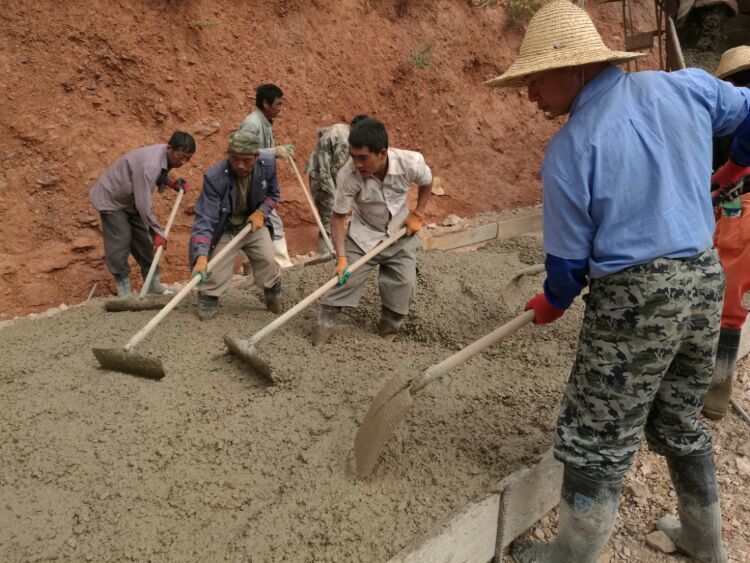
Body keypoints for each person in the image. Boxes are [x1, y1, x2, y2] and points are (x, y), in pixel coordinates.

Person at [484, 2, 750, 562]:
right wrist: (734, 168)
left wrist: (552, 301)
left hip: (638, 298)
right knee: (679, 415)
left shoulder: (570, 150)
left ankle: (572, 557)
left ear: (574, 69)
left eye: (534, 80)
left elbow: (567, 270)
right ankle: (706, 542)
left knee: (596, 435)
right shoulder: (684, 88)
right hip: (703, 281)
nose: (529, 94)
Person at [314, 117, 432, 345]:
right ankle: (320, 336)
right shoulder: (348, 176)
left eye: (363, 158)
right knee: (340, 284)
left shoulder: (410, 162)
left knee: (402, 287)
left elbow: (427, 181)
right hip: (363, 235)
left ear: (382, 153)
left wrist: (418, 213)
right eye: (353, 156)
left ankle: (385, 338)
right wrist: (341, 257)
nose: (357, 163)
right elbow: (338, 218)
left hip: (400, 232)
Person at [189, 130, 282, 320]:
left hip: (253, 224)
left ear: (256, 156)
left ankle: (273, 291)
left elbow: (274, 195)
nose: (240, 165)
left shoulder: (268, 165)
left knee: (268, 261)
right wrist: (200, 256)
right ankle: (208, 298)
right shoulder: (215, 178)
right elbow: (205, 218)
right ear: (228, 155)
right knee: (213, 276)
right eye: (234, 159)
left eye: (246, 160)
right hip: (226, 228)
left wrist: (261, 212)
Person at [90, 131, 195, 297]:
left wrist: (171, 182)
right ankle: (124, 288)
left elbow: (157, 174)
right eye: (181, 157)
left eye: (187, 158)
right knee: (121, 239)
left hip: (129, 199)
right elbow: (143, 204)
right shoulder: (150, 165)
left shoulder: (163, 155)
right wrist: (156, 231)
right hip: (111, 198)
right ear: (169, 148)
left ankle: (153, 284)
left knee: (144, 241)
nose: (183, 162)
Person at [704, 45, 750, 420]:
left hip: (737, 212)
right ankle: (717, 385)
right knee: (736, 302)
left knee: (720, 303)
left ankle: (715, 390)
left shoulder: (727, 119)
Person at [240, 83, 295, 268]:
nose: (281, 108)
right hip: (250, 183)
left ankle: (249, 268)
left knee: (251, 225)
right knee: (273, 221)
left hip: (259, 180)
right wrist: (274, 151)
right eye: (278, 104)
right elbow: (243, 152)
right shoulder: (252, 123)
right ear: (266, 103)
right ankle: (283, 265)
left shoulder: (264, 122)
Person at [305, 114, 369, 253]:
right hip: (322, 177)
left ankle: (334, 250)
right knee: (330, 215)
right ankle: (326, 254)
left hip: (322, 173)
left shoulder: (340, 130)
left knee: (333, 213)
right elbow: (335, 169)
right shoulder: (344, 138)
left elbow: (322, 133)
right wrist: (338, 193)